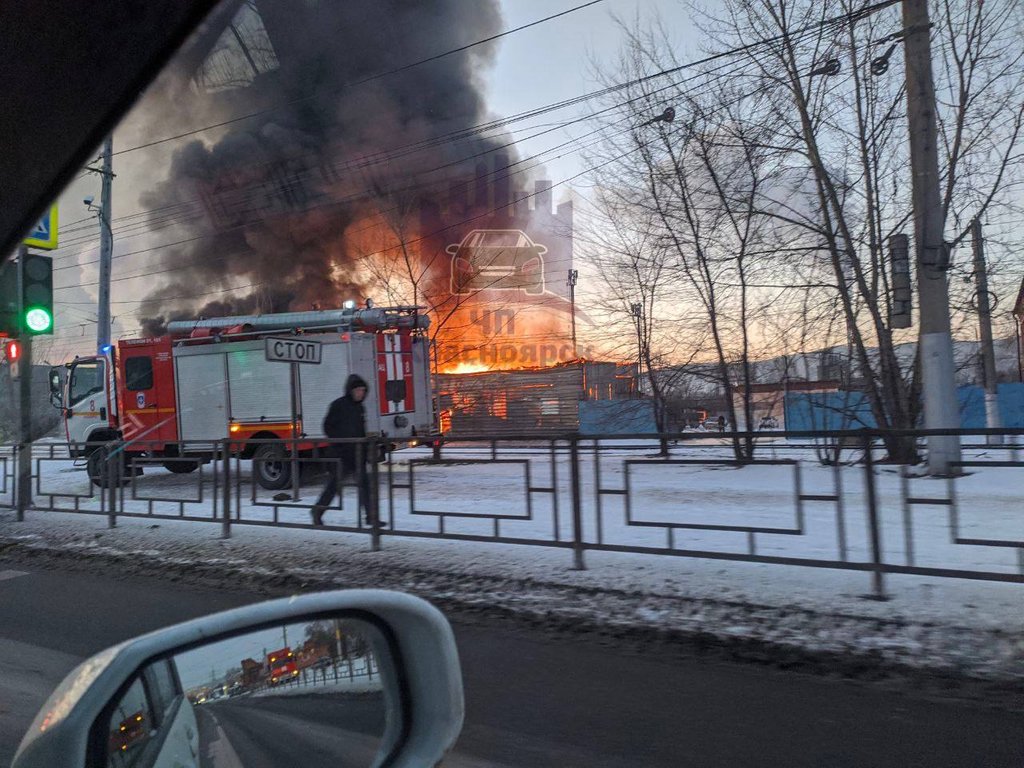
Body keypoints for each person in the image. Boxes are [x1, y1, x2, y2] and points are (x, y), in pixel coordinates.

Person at [311, 374, 373, 526]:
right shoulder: (338, 405)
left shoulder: (360, 407)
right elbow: (327, 426)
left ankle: (371, 516)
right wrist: (341, 443)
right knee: (334, 485)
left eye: (363, 391)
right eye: (358, 390)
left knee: (365, 485)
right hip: (342, 454)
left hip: (357, 453)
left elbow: (361, 431)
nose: (361, 393)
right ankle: (317, 511)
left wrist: (364, 448)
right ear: (351, 390)